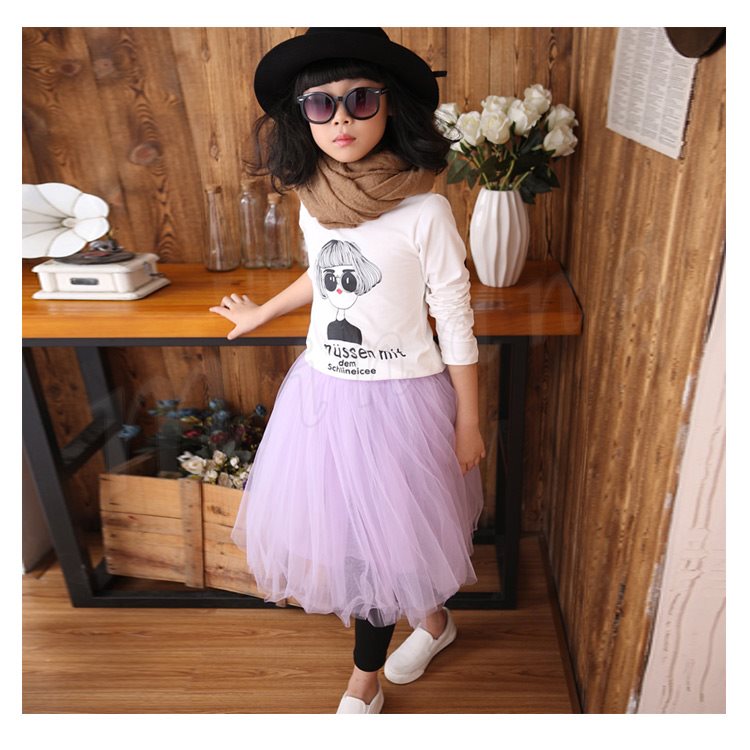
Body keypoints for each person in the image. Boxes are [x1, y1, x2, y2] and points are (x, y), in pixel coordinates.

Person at [209, 27, 486, 715]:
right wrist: (264, 312)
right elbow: (323, 273)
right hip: (325, 397)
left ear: (390, 107)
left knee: (381, 547)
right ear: (301, 116)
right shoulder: (315, 198)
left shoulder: (426, 211)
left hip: (400, 402)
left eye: (360, 100)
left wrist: (470, 420)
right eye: (320, 104)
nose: (341, 119)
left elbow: (454, 317)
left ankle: (365, 680)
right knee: (363, 536)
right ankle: (435, 623)